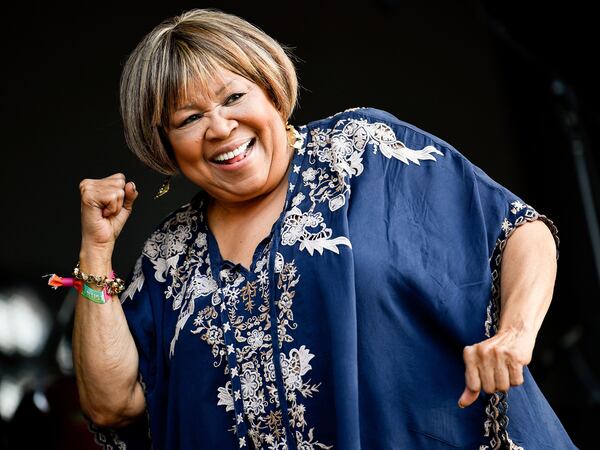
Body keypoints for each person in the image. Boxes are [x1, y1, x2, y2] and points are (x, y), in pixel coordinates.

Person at [70, 8, 577, 450]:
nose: (220, 127)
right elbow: (113, 405)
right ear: (166, 146)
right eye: (189, 118)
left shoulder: (363, 154)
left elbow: (518, 230)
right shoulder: (169, 257)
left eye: (233, 97)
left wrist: (515, 331)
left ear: (270, 90)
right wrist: (96, 249)